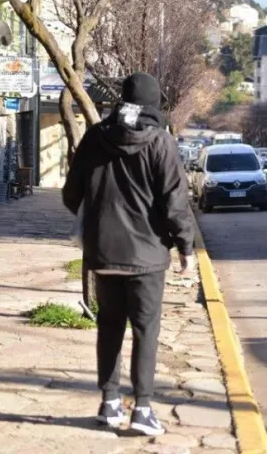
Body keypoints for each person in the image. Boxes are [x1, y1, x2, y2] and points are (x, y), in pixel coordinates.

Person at [62, 72, 195, 435]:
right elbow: (174, 202)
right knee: (145, 330)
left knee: (108, 327)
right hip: (147, 255)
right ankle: (144, 410)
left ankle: (109, 403)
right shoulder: (161, 142)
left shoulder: (95, 137)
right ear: (154, 104)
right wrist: (186, 247)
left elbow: (71, 195)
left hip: (103, 252)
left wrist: (96, 220)